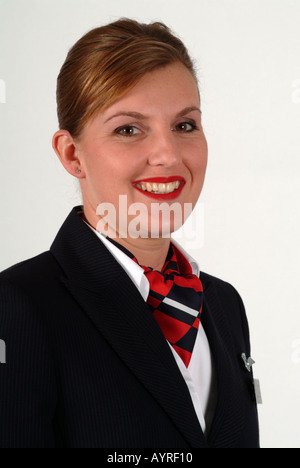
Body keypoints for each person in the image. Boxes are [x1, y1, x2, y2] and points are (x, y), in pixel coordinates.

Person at [0, 18, 259, 448]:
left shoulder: (225, 305)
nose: (168, 155)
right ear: (72, 154)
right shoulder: (17, 307)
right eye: (128, 129)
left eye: (185, 125)